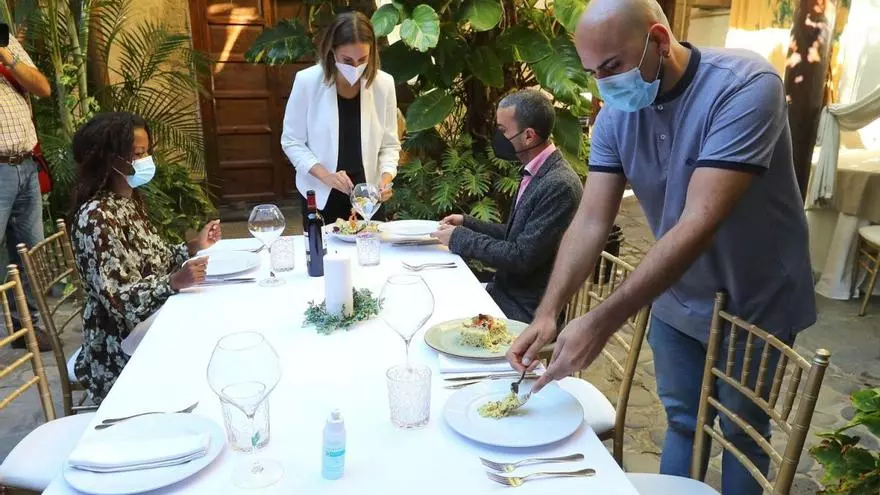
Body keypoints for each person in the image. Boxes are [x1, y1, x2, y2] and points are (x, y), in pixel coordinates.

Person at [506, 1, 815, 493]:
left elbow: (699, 221)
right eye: (593, 73)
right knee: (683, 422)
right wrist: (549, 312)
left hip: (755, 299)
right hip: (676, 295)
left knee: (742, 433)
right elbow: (591, 220)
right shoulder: (616, 117)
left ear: (659, 40)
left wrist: (601, 321)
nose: (604, 85)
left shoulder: (745, 86)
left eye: (612, 67)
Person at [69, 112, 222, 404]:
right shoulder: (97, 218)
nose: (146, 160)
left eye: (147, 152)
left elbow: (154, 258)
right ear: (110, 159)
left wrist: (194, 246)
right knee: (207, 350)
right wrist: (174, 282)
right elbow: (119, 301)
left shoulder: (128, 201)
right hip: (118, 346)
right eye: (138, 154)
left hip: (150, 320)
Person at [431, 90, 583, 323]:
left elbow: (521, 257)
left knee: (437, 317)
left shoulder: (559, 185)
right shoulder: (536, 171)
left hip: (524, 310)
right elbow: (517, 235)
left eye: (502, 131)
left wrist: (460, 238)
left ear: (529, 136)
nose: (497, 137)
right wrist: (467, 223)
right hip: (503, 292)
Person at [281, 11, 400, 225]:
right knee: (321, 246)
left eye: (362, 59)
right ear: (332, 51)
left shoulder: (383, 84)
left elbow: (389, 145)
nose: (355, 67)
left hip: (369, 197)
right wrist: (327, 176)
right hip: (321, 194)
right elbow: (292, 141)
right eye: (347, 60)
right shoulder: (307, 82)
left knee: (371, 245)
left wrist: (385, 179)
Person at [0, 34, 53, 351]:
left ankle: (26, 325)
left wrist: (8, 57)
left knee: (29, 251)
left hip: (25, 163)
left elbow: (43, 88)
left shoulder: (5, 42)